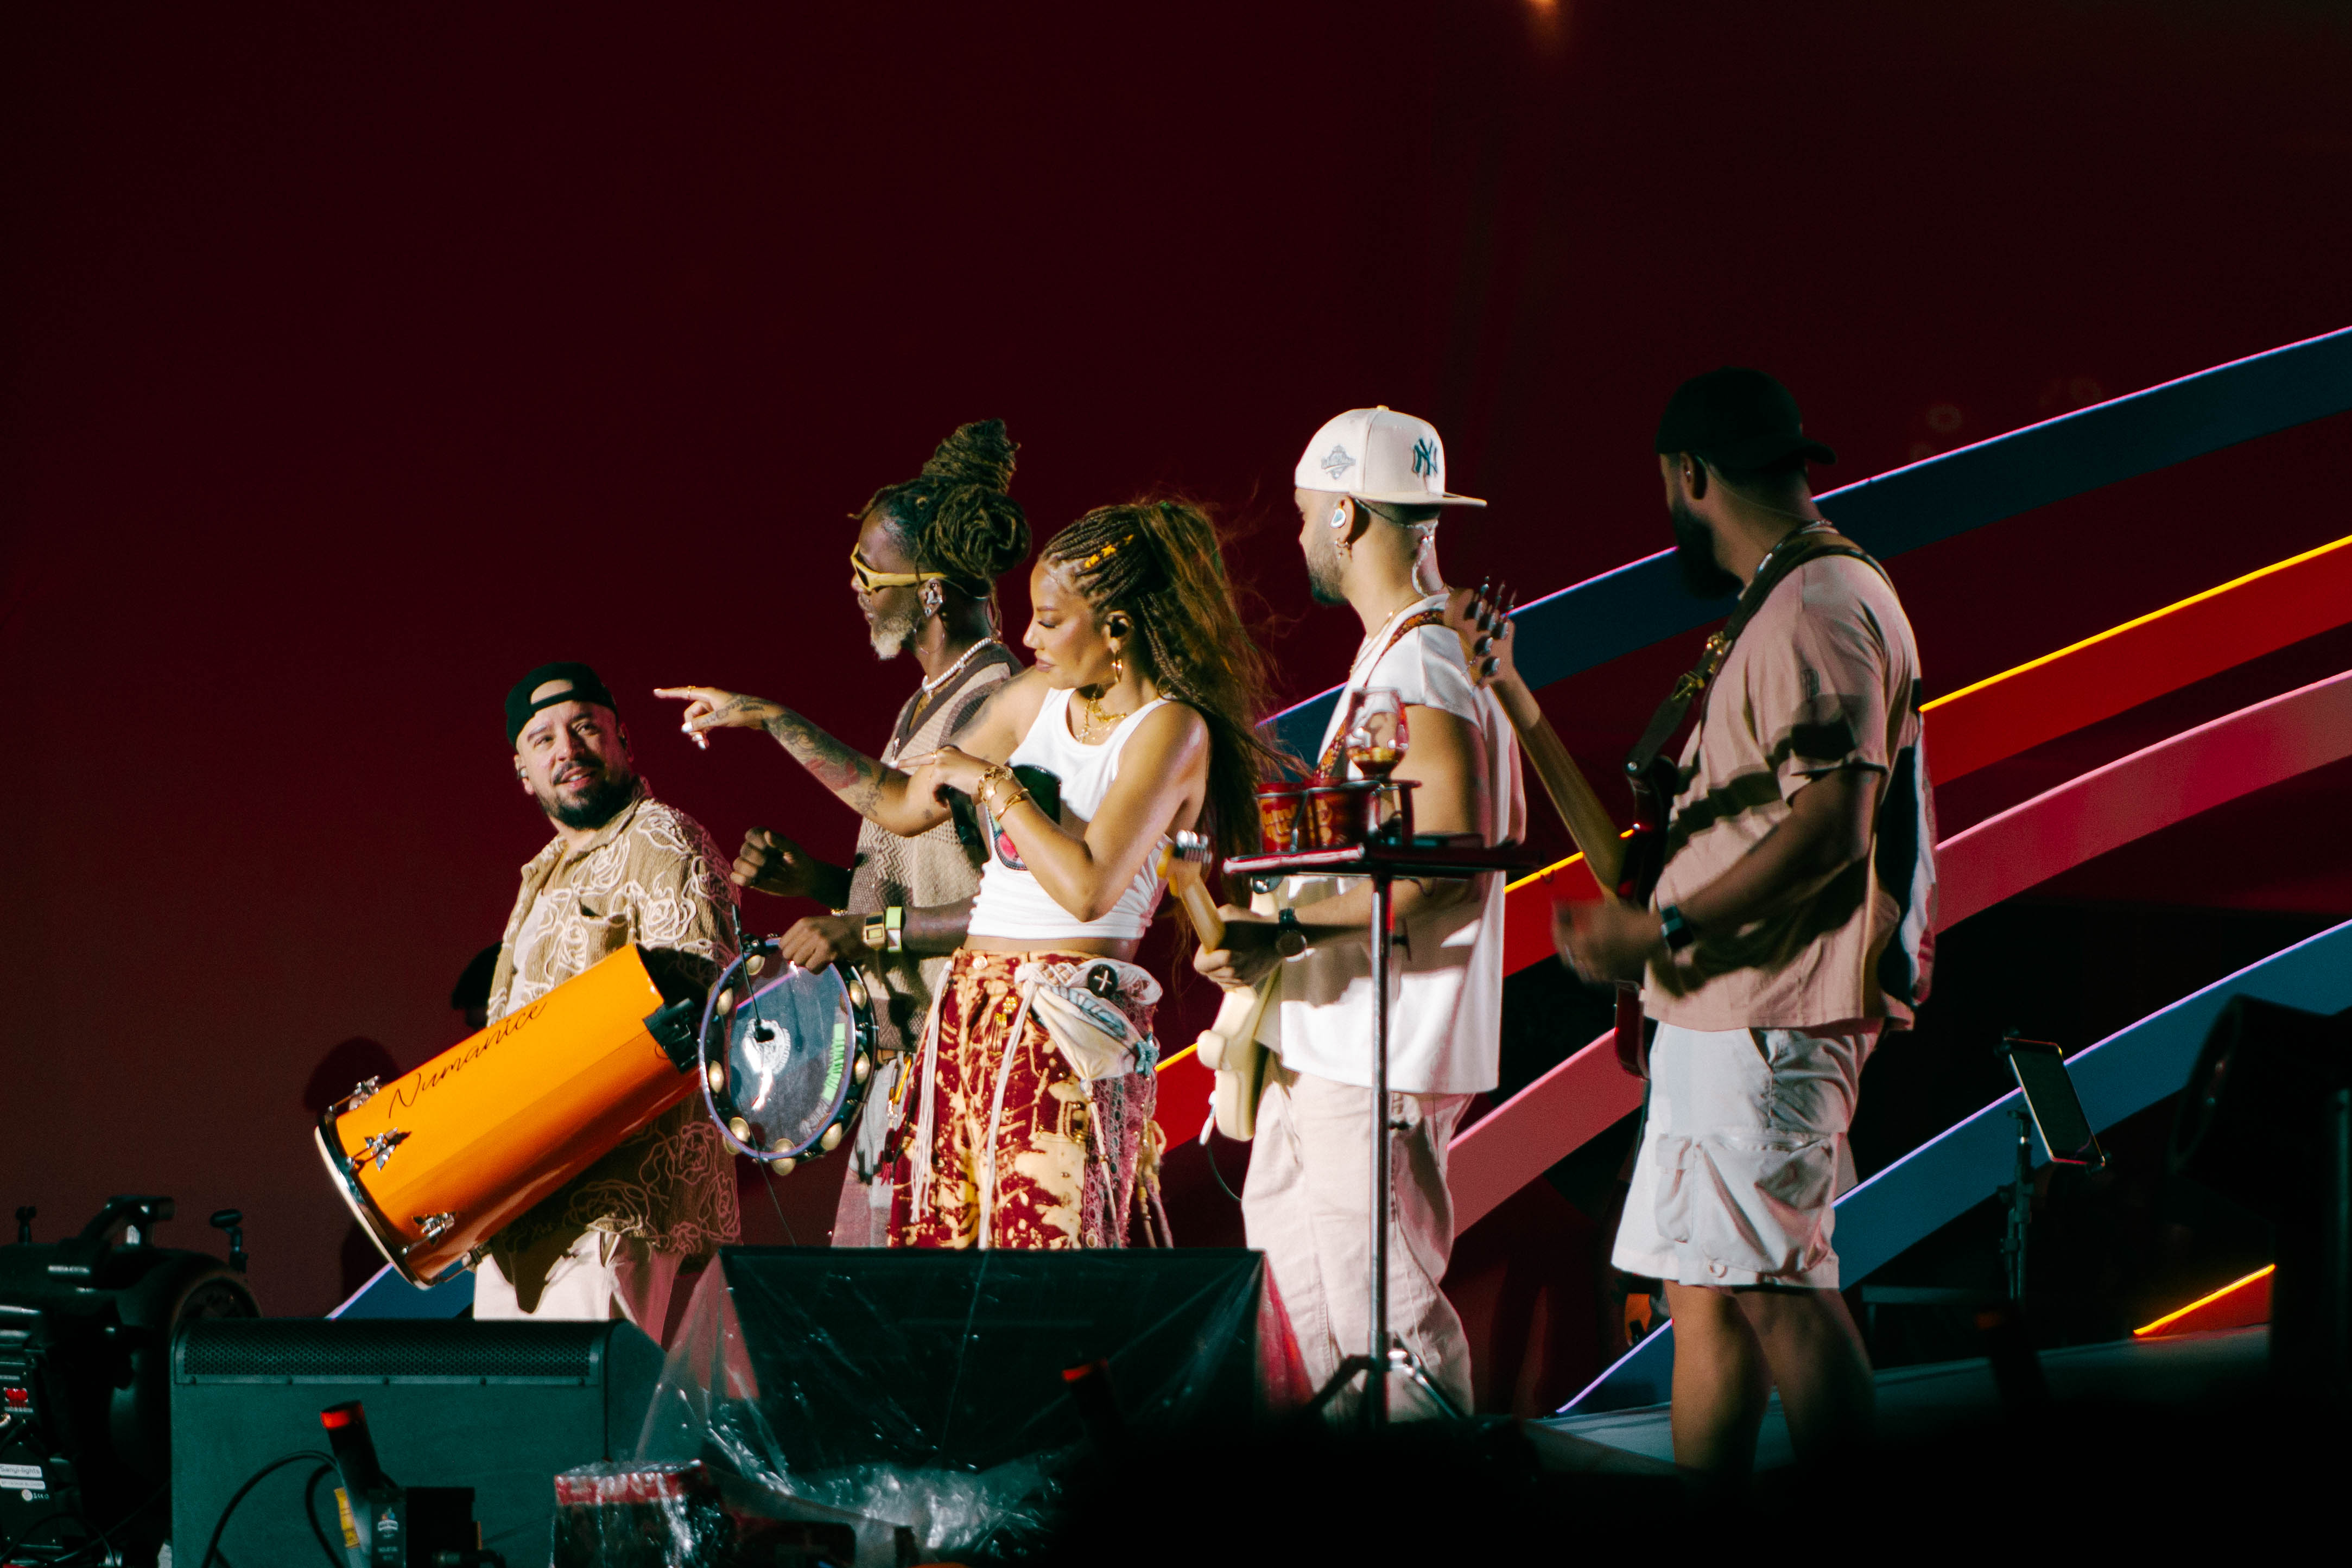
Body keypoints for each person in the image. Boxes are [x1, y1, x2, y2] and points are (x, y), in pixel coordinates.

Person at [664, 498, 1280, 1249]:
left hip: (1061, 1029)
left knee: (1041, 1264)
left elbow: (1087, 888)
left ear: (1115, 629)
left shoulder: (1170, 729)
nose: (1028, 639)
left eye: (1049, 621)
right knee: (940, 1265)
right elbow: (902, 803)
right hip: (964, 1014)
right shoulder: (1035, 699)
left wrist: (994, 784)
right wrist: (771, 719)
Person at [1558, 367, 1938, 1480]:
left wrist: (1660, 925)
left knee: (1777, 1287)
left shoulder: (1816, 606)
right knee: (1708, 1291)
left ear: (1691, 475)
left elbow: (1831, 825)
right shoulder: (1798, 597)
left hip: (1768, 1015)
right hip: (1732, 1013)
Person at [1193, 408, 1523, 1419]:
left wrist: (1285, 932)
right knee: (1313, 1340)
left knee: (1387, 1335)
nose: (1300, 535)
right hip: (1334, 1047)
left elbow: (1448, 862)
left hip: (1375, 1055)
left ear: (1344, 514)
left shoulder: (1423, 665)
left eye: (1305, 515)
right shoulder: (1407, 657)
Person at [707, 418, 1031, 1246]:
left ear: (932, 593)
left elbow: (1013, 910)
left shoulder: (996, 707)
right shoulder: (926, 704)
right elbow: (935, 870)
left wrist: (863, 930)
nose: (854, 587)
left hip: (962, 1066)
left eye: (868, 571)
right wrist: (821, 882)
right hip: (901, 1069)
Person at [476, 661, 740, 1334]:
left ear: (624, 739)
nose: (567, 749)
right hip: (524, 1205)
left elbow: (704, 1013)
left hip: (613, 1205)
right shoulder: (541, 873)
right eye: (543, 739)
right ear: (522, 771)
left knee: (592, 1398)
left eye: (585, 728)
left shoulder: (662, 840)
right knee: (509, 1400)